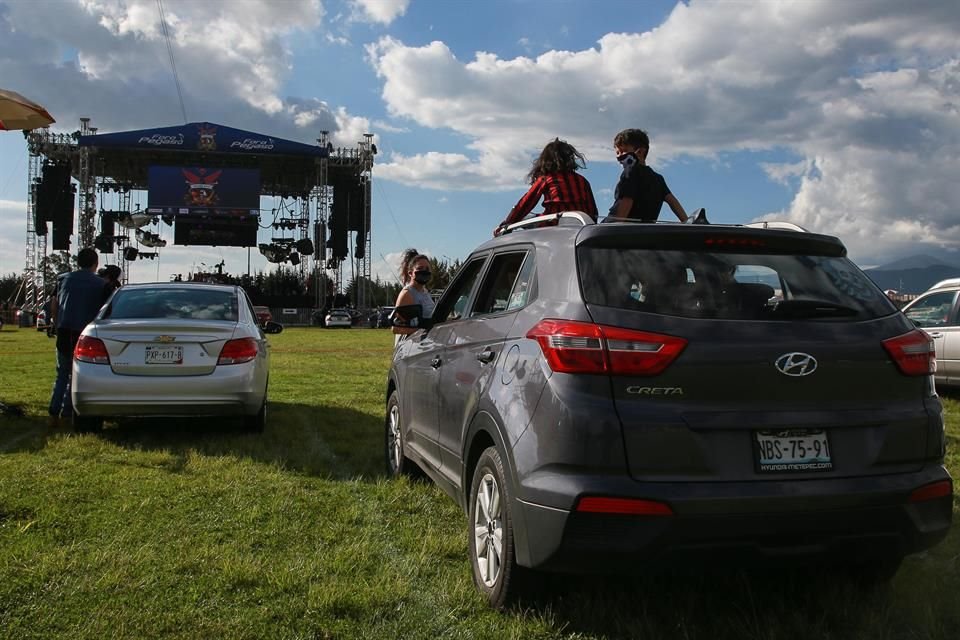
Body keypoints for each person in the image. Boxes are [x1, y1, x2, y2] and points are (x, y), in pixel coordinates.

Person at [48, 248, 110, 425]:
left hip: (64, 330)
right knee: (76, 374)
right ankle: (68, 412)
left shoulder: (63, 279)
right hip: (85, 335)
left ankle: (54, 412)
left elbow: (54, 304)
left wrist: (56, 323)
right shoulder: (101, 285)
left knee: (62, 373)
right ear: (95, 263)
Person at [495, 138, 598, 235]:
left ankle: (506, 232)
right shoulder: (582, 180)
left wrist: (507, 224)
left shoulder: (547, 179)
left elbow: (526, 203)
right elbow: (592, 210)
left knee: (525, 217)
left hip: (553, 223)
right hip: (579, 225)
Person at [607, 128, 688, 223]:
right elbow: (673, 202)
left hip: (616, 226)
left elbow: (627, 201)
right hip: (645, 229)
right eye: (617, 152)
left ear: (640, 152)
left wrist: (617, 225)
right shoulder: (658, 179)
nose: (619, 156)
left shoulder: (630, 172)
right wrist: (687, 222)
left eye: (624, 151)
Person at [392, 250, 436, 343]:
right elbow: (396, 328)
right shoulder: (407, 294)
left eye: (427, 269)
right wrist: (422, 331)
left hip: (425, 344)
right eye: (420, 268)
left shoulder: (425, 292)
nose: (424, 271)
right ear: (410, 273)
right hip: (411, 346)